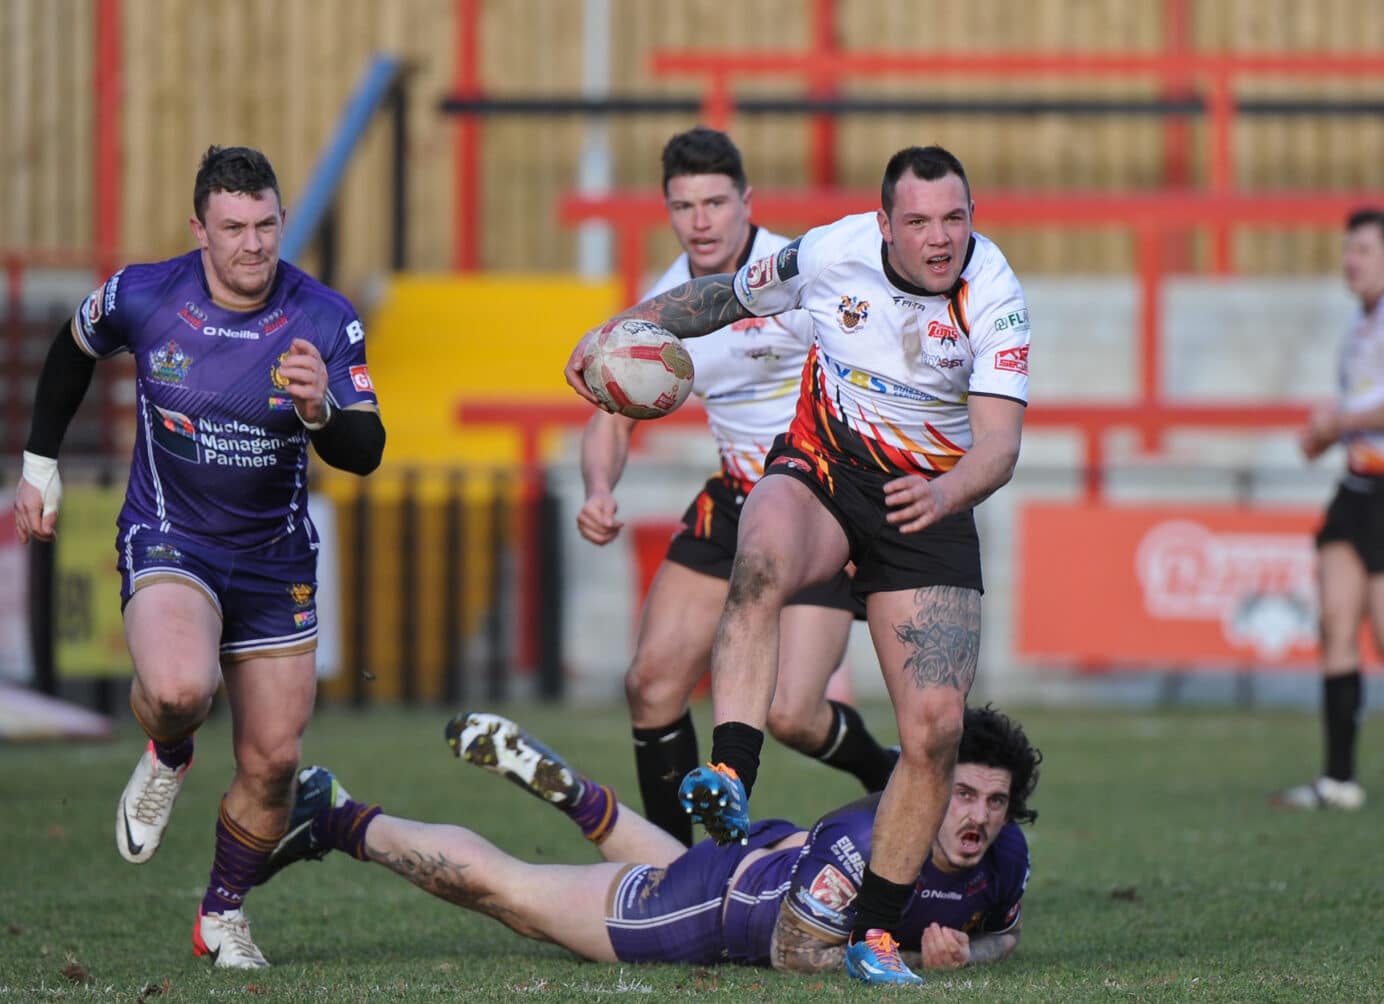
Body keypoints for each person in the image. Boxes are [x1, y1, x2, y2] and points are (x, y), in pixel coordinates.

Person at [564, 145, 1030, 984]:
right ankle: (729, 774)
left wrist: (948, 492)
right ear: (883, 223)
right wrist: (622, 331)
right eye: (918, 221)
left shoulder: (994, 294)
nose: (939, 238)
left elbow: (999, 444)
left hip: (928, 496)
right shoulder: (827, 250)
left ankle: (877, 933)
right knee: (760, 562)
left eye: (954, 219)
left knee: (934, 732)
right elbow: (720, 299)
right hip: (819, 469)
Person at [12, 145, 385, 968]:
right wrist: (40, 464)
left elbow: (367, 452)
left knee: (276, 759)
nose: (253, 245)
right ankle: (170, 751)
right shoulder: (147, 296)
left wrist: (323, 411)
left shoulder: (324, 318)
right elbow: (74, 348)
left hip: (276, 559)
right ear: (200, 230)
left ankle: (221, 914)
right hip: (171, 535)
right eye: (234, 228)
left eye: (267, 225)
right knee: (181, 690)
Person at [578, 127, 896, 844]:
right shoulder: (665, 306)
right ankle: (672, 866)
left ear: (746, 201)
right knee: (652, 684)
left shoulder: (798, 278)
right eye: (684, 205)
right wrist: (598, 489)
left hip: (820, 502)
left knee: (791, 715)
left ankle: (887, 772)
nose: (701, 220)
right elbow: (609, 417)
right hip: (736, 495)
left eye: (716, 202)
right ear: (667, 210)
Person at [263, 704, 1039, 975]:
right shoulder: (862, 837)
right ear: (926, 786)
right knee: (511, 894)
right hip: (717, 909)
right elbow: (799, 956)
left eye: (995, 801)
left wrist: (964, 953)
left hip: (761, 864)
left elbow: (1000, 935)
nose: (976, 816)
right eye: (961, 792)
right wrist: (912, 959)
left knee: (687, 861)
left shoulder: (1006, 855)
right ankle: (334, 811)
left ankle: (582, 798)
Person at [1273, 207, 1384, 812]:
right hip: (1358, 487)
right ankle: (1339, 779)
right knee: (1336, 625)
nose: (1352, 261)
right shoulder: (1360, 326)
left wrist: (1340, 420)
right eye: (1349, 250)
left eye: (1364, 250)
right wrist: (1330, 435)